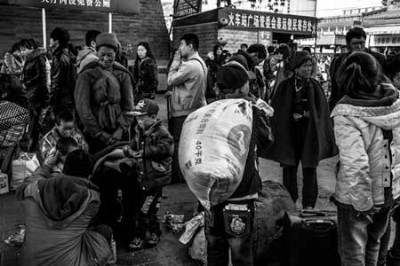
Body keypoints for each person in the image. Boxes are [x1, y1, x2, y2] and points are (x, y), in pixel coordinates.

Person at [331, 51, 400, 266]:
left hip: (357, 197)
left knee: (353, 255)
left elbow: (355, 164)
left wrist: (362, 203)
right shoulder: (395, 102)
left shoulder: (346, 112)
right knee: (374, 245)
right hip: (389, 192)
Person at [205, 55, 274, 266]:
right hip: (241, 193)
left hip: (211, 191)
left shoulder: (206, 112)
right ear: (240, 87)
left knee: (215, 249)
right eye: (247, 82)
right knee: (241, 252)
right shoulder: (250, 112)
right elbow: (267, 141)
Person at [261, 51, 337, 209]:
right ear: (296, 68)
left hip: (309, 133)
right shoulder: (284, 86)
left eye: (310, 66)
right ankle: (290, 200)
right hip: (290, 134)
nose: (308, 69)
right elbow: (278, 111)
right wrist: (290, 116)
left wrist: (306, 115)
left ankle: (309, 204)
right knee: (289, 169)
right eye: (305, 66)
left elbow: (321, 112)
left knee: (310, 169)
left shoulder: (315, 86)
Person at [16, 149, 113, 266]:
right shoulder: (92, 199)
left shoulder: (32, 189)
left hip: (29, 262)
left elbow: (27, 183)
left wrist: (47, 165)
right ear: (90, 174)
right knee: (104, 230)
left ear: (64, 169)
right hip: (71, 263)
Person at [117, 99, 174, 250]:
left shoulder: (162, 132)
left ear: (153, 117)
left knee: (146, 210)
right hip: (141, 178)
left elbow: (167, 148)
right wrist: (129, 150)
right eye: (137, 117)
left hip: (155, 180)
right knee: (144, 209)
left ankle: (142, 235)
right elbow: (132, 145)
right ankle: (153, 231)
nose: (139, 121)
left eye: (142, 117)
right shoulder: (138, 130)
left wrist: (145, 153)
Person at [74, 33, 135, 153]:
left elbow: (129, 106)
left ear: (116, 54)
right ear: (96, 53)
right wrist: (98, 133)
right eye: (102, 55)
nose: (106, 59)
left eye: (110, 55)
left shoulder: (123, 75)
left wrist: (121, 130)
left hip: (118, 130)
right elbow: (83, 108)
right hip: (94, 132)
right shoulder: (86, 75)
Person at [166, 33, 207, 183]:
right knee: (190, 143)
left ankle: (178, 175)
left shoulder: (189, 65)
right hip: (195, 107)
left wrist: (175, 62)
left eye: (182, 45)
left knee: (179, 143)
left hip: (183, 110)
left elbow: (171, 79)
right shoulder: (200, 62)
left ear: (190, 46)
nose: (179, 48)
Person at [329, 27, 386, 110]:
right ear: (348, 44)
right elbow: (335, 88)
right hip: (345, 103)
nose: (359, 47)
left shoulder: (378, 58)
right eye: (355, 43)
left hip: (372, 103)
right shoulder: (338, 61)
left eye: (362, 43)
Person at [20, 39, 51, 151]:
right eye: (21, 50)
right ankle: (32, 145)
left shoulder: (39, 58)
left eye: (25, 49)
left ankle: (35, 146)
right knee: (33, 120)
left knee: (36, 121)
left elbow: (41, 78)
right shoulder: (30, 59)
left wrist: (26, 83)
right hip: (31, 93)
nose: (23, 52)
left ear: (32, 48)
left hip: (37, 94)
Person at [49, 27, 77, 115]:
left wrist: (51, 102)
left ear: (56, 41)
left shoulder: (59, 57)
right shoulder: (70, 54)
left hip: (61, 99)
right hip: (71, 97)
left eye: (51, 39)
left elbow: (56, 83)